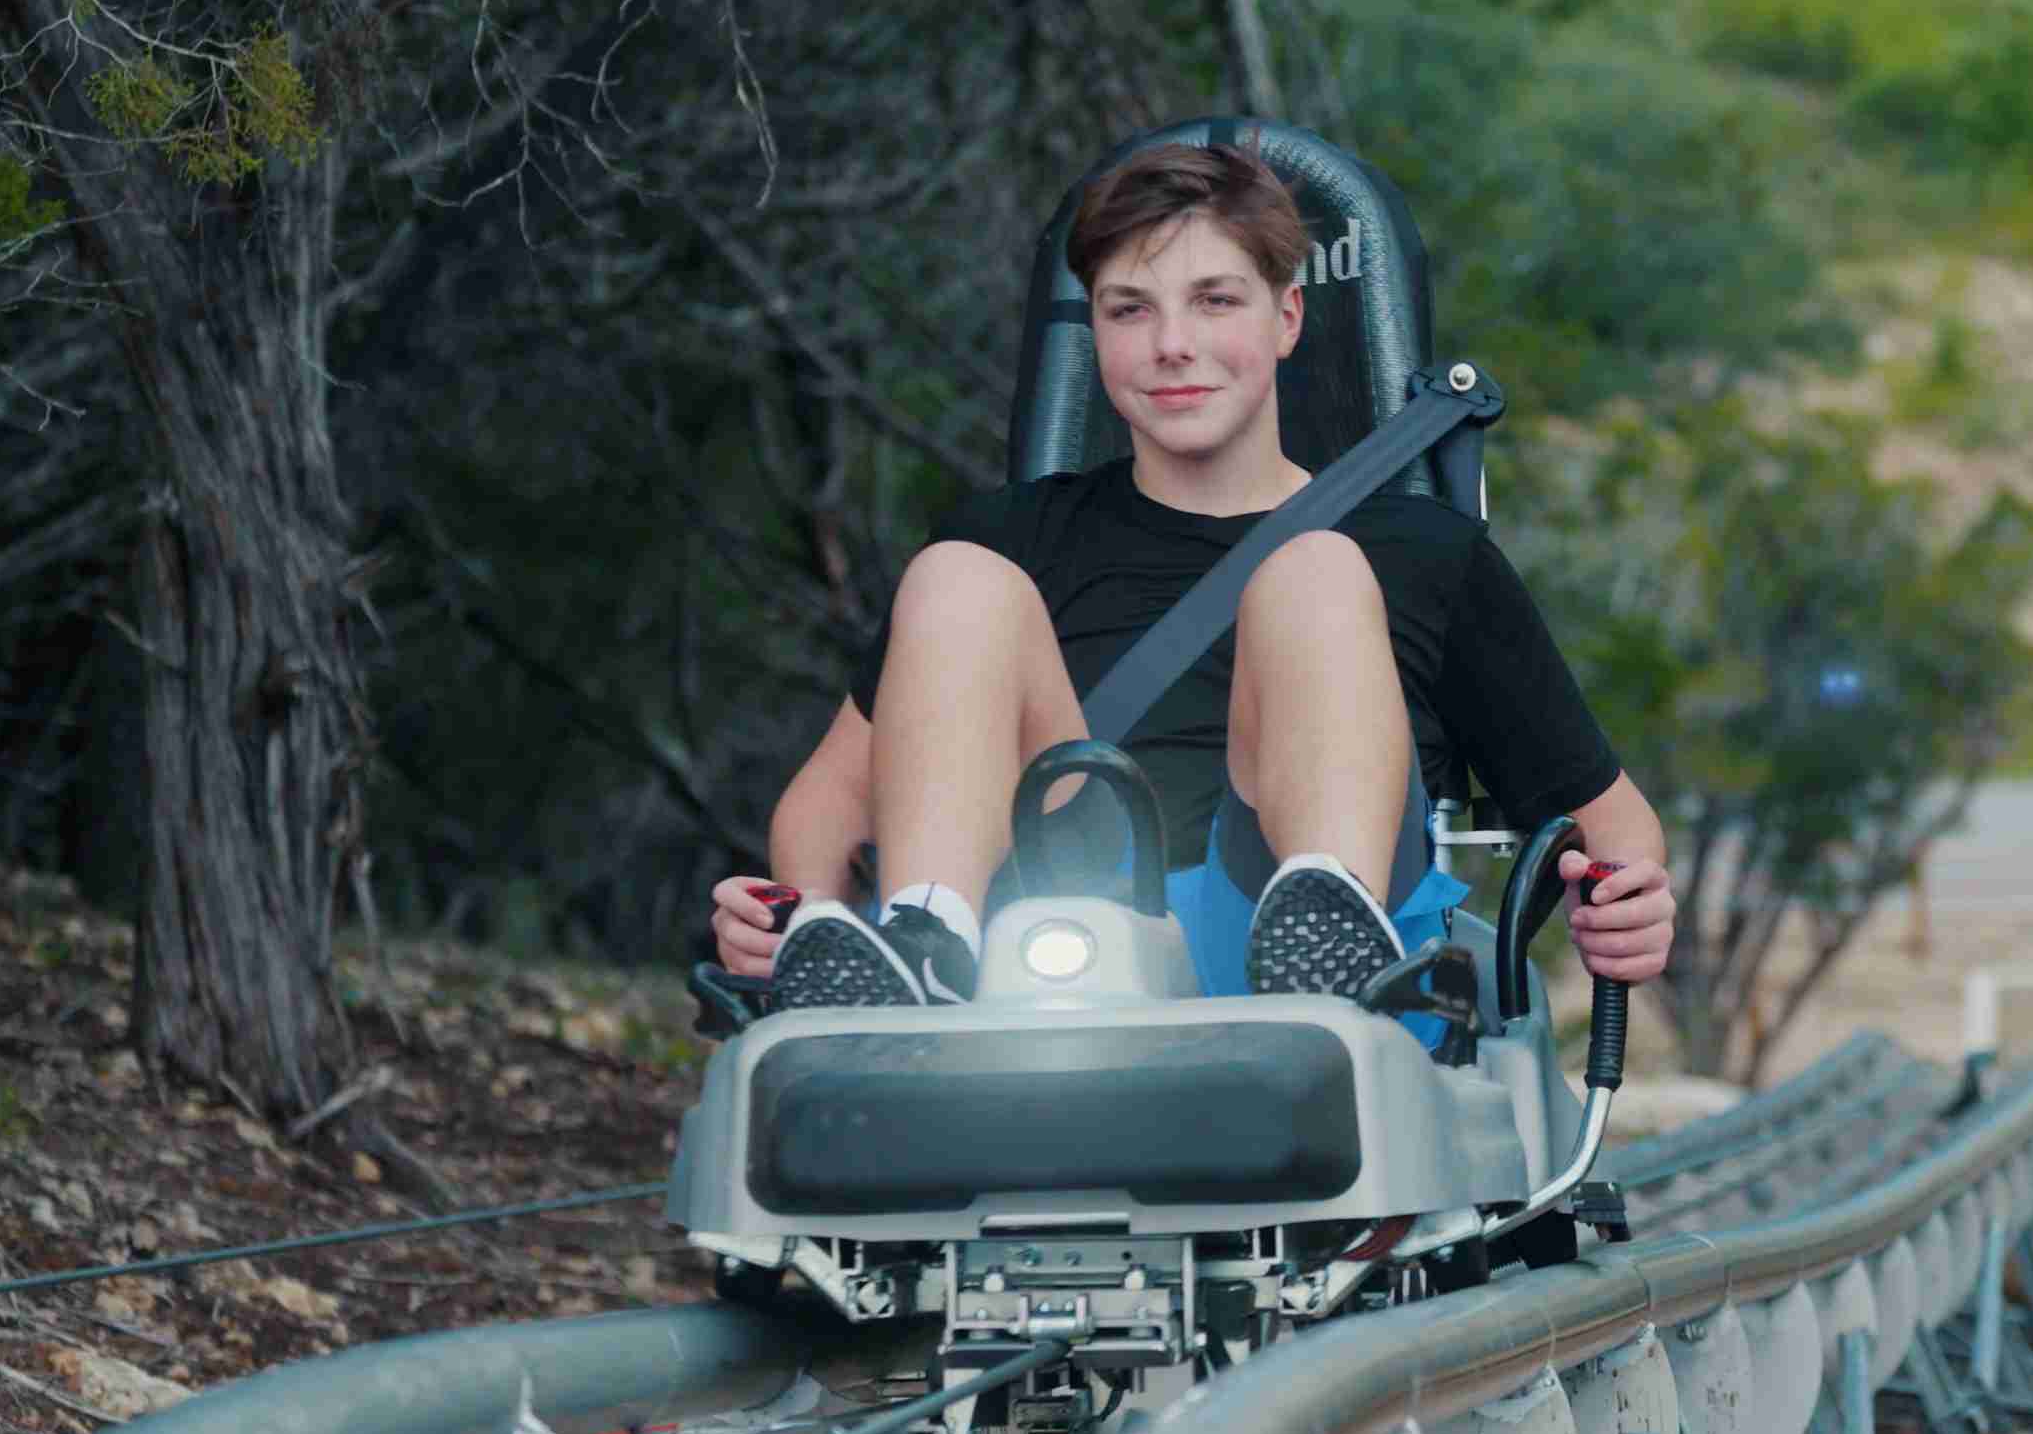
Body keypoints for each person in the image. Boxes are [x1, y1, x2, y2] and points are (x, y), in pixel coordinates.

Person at [704, 139, 1675, 1017]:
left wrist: (1630, 908)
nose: (1174, 344)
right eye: (1133, 309)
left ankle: (1328, 944)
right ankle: (921, 951)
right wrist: (793, 917)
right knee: (960, 578)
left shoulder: (1428, 552)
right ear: (1096, 332)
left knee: (1314, 571)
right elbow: (826, 803)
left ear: (1288, 317)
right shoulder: (1010, 537)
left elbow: (1613, 826)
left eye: (1215, 300)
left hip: (1276, 942)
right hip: (1052, 948)